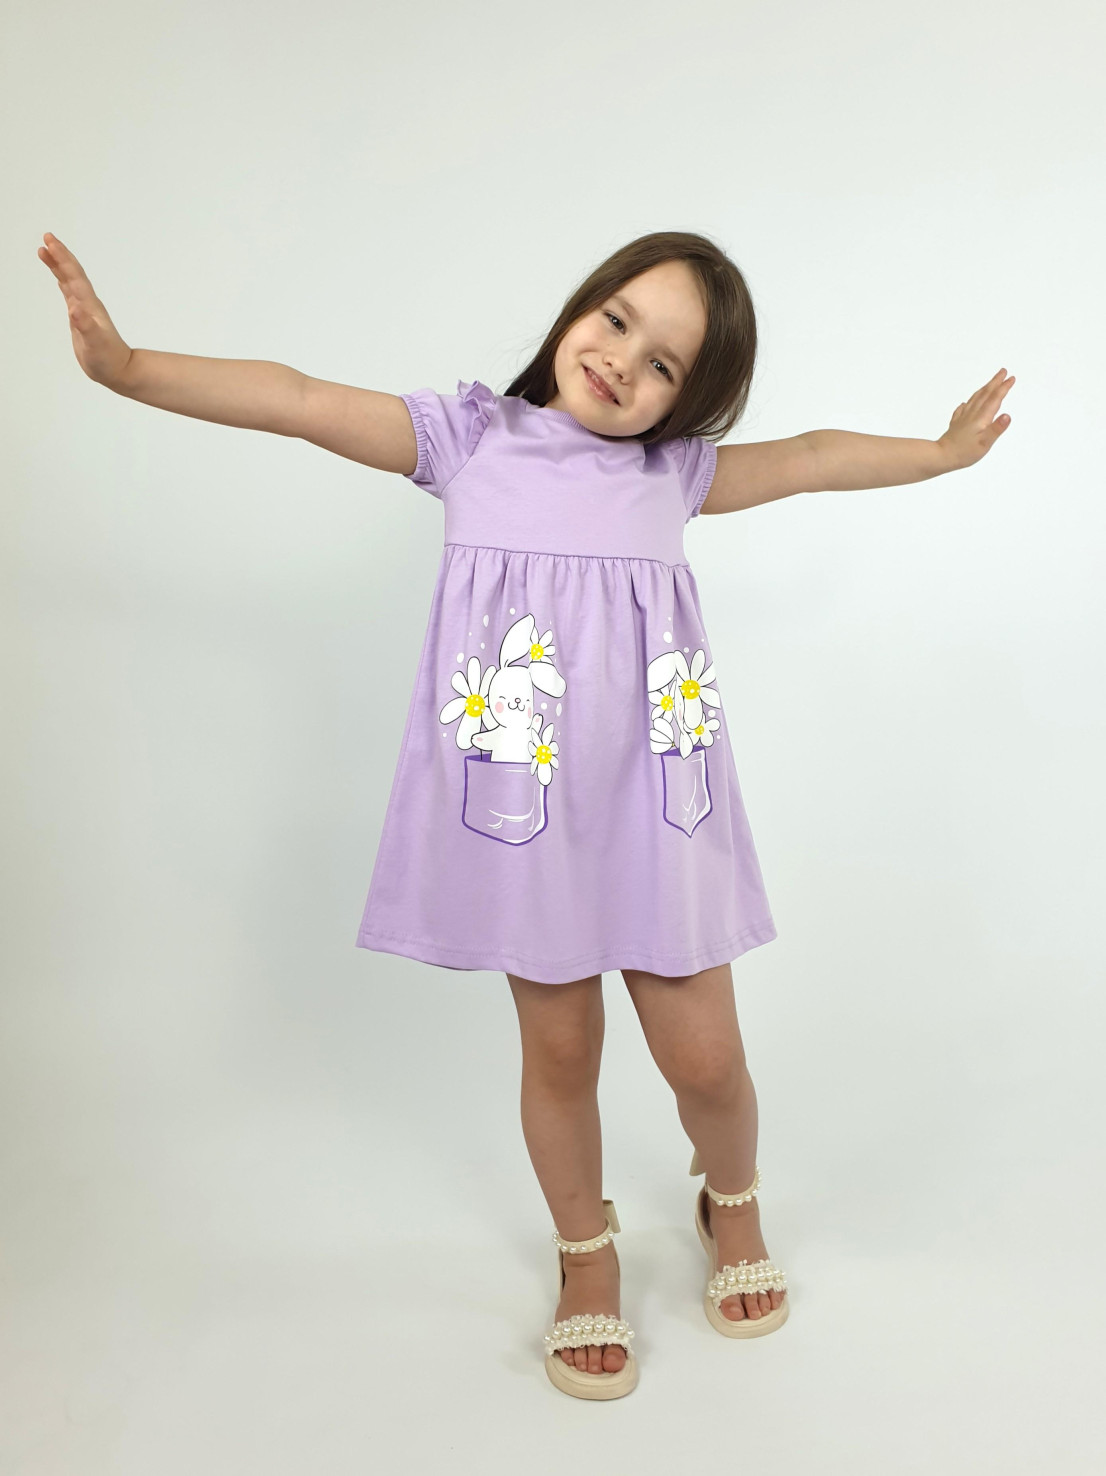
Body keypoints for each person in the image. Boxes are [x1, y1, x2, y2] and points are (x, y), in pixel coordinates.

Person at [38, 227, 1014, 1401]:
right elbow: (295, 399)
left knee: (706, 1061)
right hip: (528, 818)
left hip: (659, 810)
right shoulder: (466, 439)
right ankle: (584, 1251)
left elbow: (808, 456)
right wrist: (129, 367)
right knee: (559, 1050)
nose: (620, 362)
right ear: (579, 306)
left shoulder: (673, 476)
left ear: (685, 400)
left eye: (662, 365)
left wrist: (938, 453)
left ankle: (731, 1199)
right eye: (615, 321)